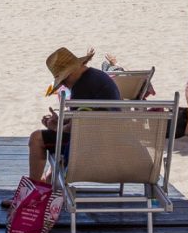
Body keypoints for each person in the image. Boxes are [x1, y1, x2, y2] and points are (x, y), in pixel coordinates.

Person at [25, 47, 120, 183]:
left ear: (69, 74)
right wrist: (60, 122)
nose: (64, 84)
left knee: (36, 138)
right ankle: (46, 180)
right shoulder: (96, 76)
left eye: (63, 81)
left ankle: (34, 189)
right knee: (58, 141)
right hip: (112, 141)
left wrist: (56, 128)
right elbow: (86, 117)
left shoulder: (82, 86)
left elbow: (76, 128)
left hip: (92, 146)